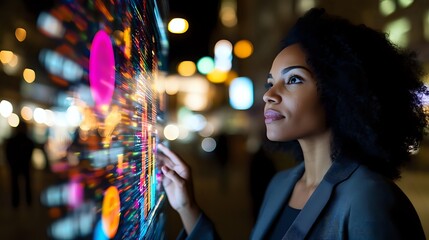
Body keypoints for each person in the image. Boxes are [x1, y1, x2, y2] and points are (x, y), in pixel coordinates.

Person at [157, 7, 428, 239]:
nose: (268, 95)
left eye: (294, 79)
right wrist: (186, 206)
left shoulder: (370, 199)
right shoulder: (280, 184)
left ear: (341, 92)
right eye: (270, 82)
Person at [5, 121, 35, 208]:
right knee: (26, 184)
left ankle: (16, 202)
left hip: (16, 165)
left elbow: (8, 152)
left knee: (16, 184)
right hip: (23, 164)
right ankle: (27, 202)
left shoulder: (12, 140)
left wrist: (11, 162)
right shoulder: (28, 141)